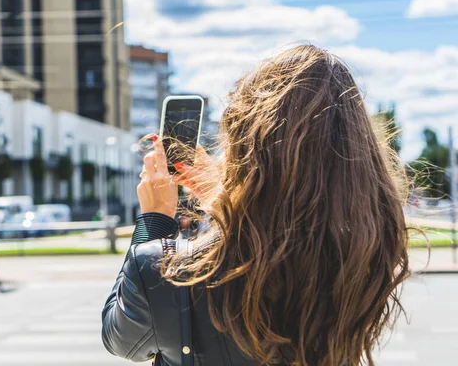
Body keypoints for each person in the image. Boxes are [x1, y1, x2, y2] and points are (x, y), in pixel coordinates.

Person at [101, 45, 410, 366]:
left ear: (242, 146)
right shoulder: (367, 252)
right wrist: (222, 199)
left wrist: (154, 223)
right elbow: (289, 227)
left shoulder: (167, 268)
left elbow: (120, 339)